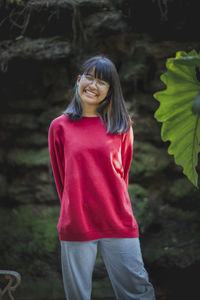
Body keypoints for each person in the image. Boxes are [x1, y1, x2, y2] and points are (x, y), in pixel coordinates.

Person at [48, 55, 156, 300]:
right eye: (89, 77)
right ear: (79, 80)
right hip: (76, 219)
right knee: (77, 296)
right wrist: (74, 207)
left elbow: (122, 174)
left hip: (118, 218)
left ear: (110, 91)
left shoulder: (121, 125)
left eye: (102, 82)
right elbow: (61, 178)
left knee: (138, 292)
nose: (93, 86)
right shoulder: (59, 126)